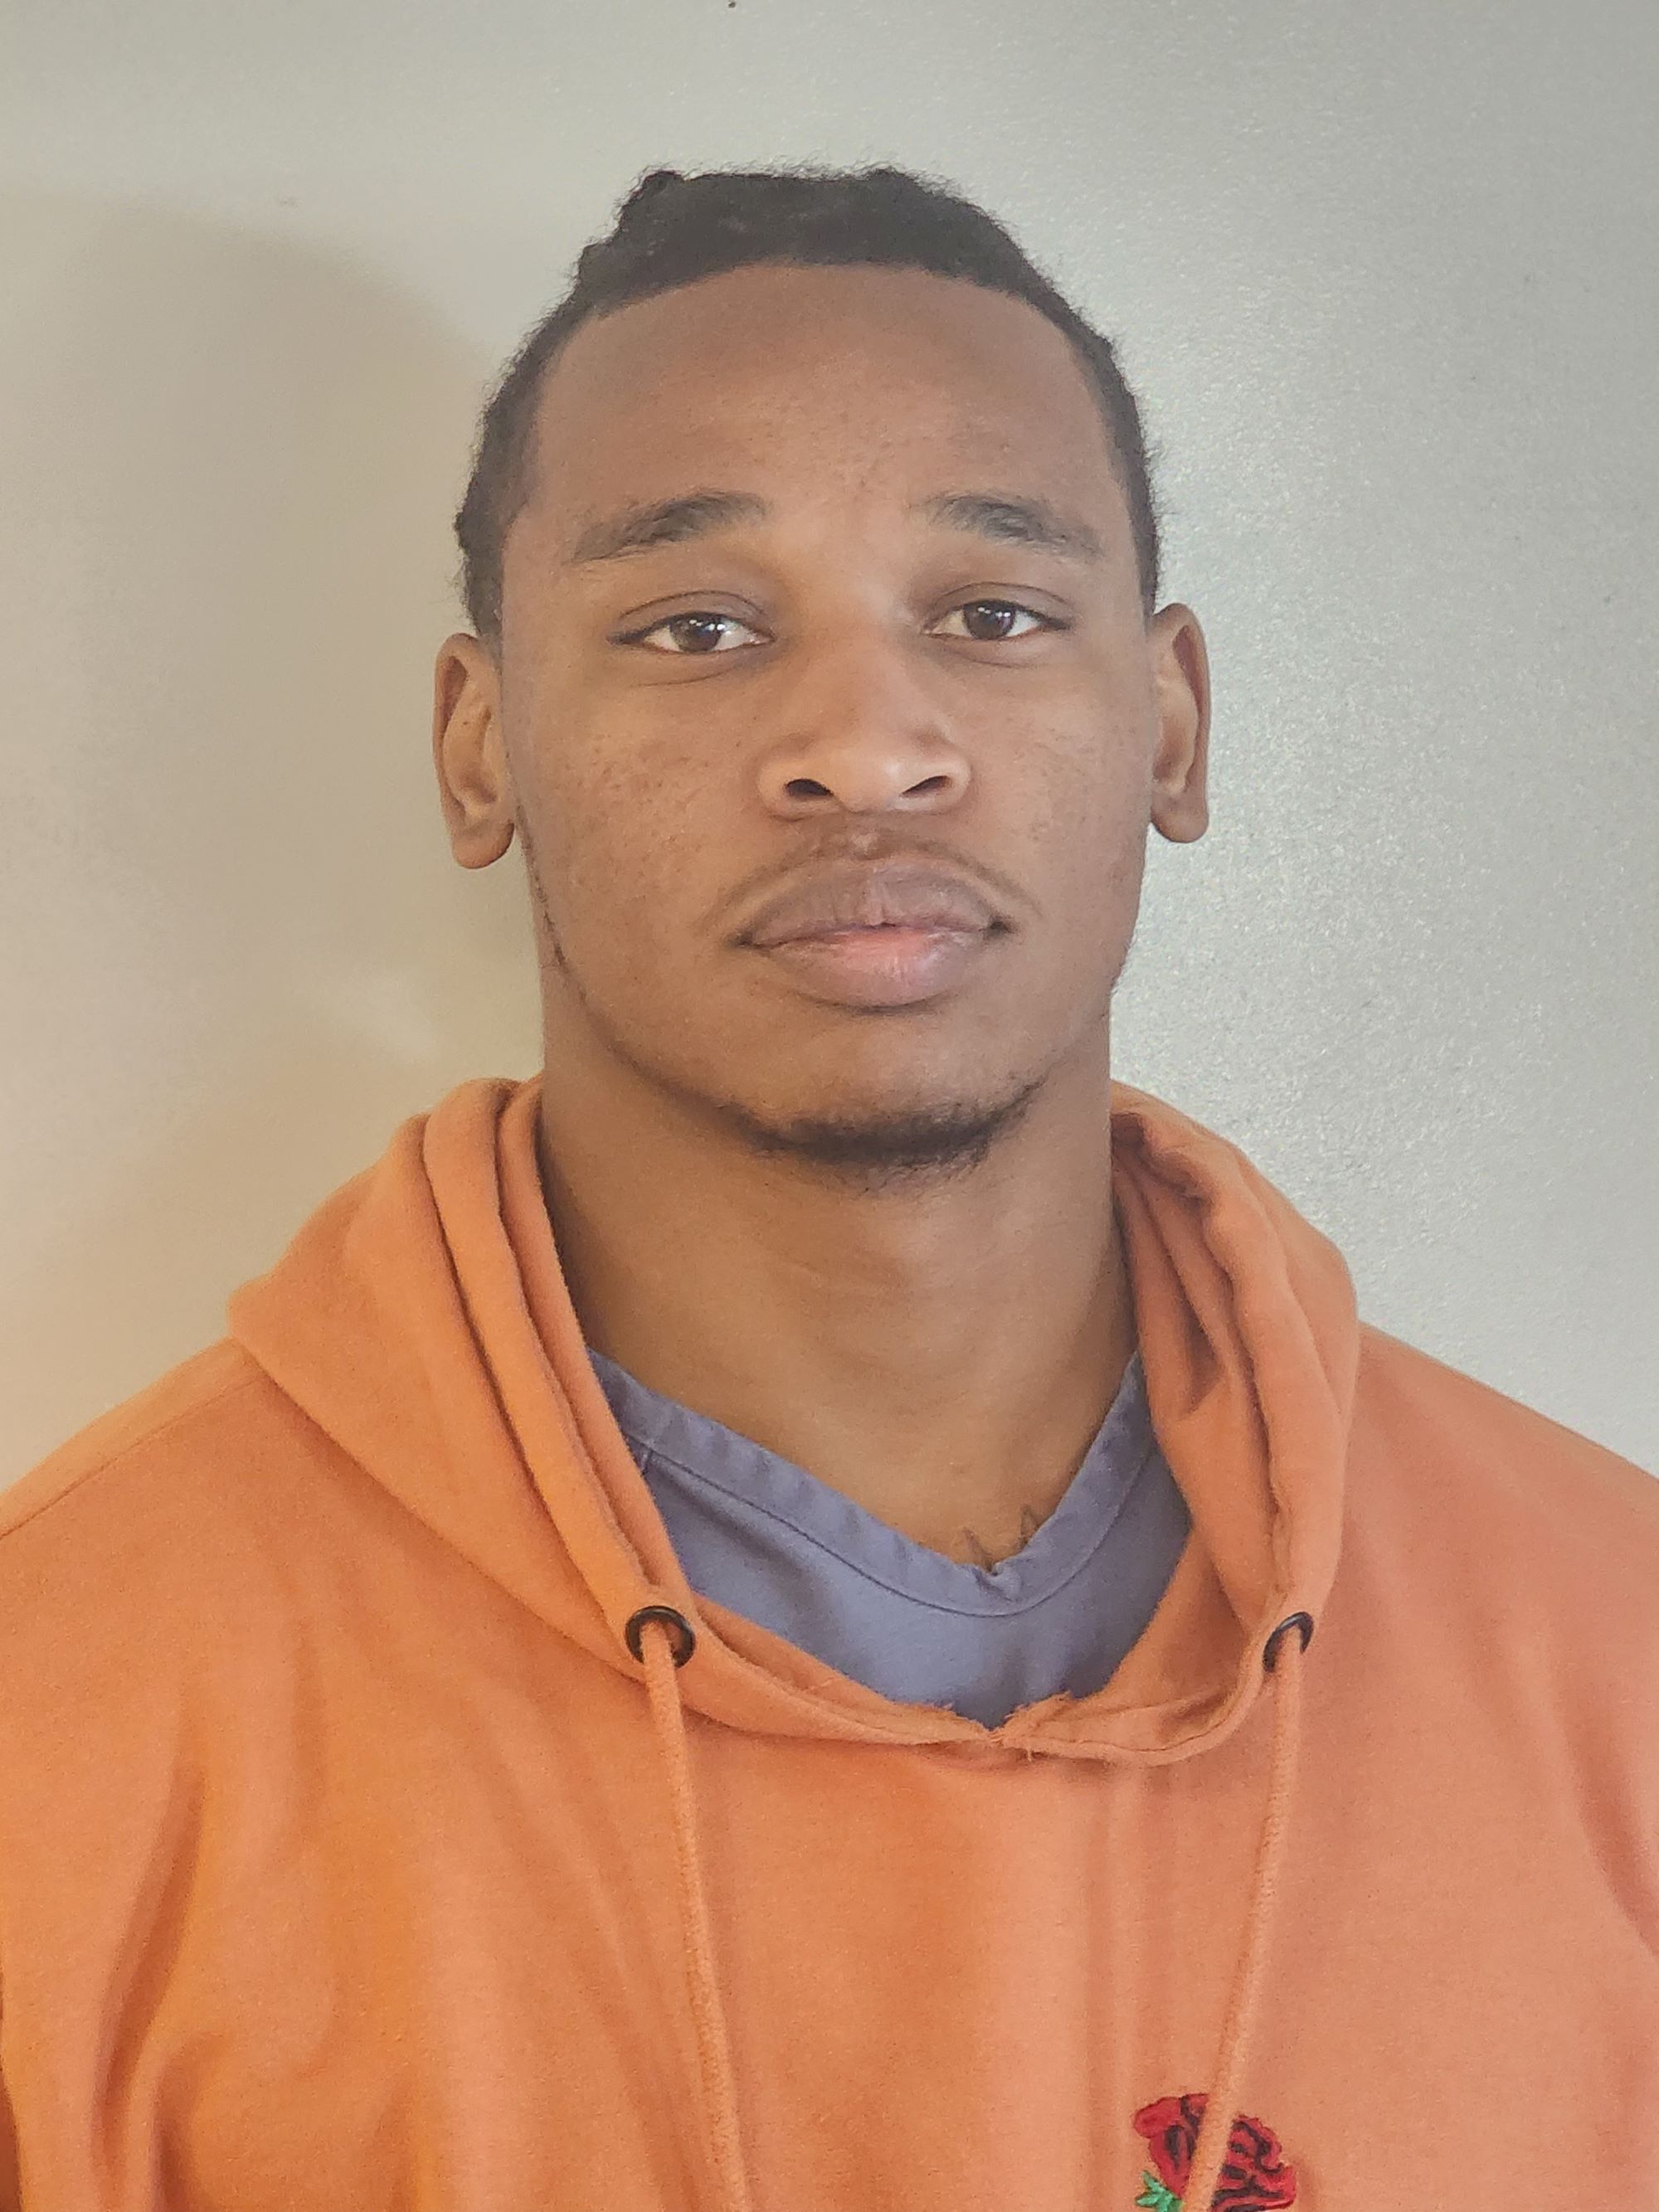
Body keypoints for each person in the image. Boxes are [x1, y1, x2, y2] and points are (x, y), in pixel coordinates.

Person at [1, 163, 1654, 2212]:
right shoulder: (60, 1720)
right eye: (698, 625)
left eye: (991, 613)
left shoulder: (1613, 1652)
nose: (865, 747)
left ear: (1170, 720)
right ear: (480, 744)